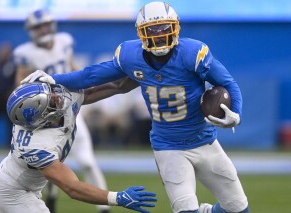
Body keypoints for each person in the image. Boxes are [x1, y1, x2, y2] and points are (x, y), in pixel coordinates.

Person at [22, 1, 250, 213]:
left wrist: (236, 113)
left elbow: (227, 82)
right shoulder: (131, 56)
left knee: (239, 208)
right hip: (168, 147)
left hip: (205, 141)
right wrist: (54, 78)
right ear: (142, 33)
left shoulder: (193, 53)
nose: (160, 36)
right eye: (153, 30)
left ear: (176, 28)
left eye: (164, 28)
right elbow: (91, 75)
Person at [0, 81, 156, 213]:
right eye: (50, 102)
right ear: (40, 118)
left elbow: (113, 86)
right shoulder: (35, 146)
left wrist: (140, 75)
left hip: (22, 182)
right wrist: (117, 197)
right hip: (13, 190)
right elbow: (72, 188)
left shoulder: (44, 111)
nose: (57, 97)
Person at [13, 9, 111, 213]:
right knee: (49, 164)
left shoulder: (64, 41)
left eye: (45, 25)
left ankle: (104, 209)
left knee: (87, 162)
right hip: (47, 116)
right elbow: (20, 85)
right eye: (38, 27)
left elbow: (74, 70)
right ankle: (51, 196)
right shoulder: (25, 53)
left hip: (72, 109)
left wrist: (85, 92)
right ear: (31, 30)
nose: (43, 29)